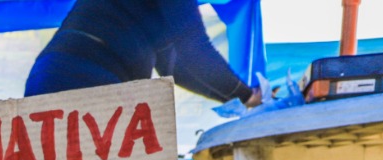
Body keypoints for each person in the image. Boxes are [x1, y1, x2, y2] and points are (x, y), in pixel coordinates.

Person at [24, 0, 263, 107]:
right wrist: (245, 95)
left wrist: (237, 98)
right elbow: (194, 48)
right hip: (89, 78)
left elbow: (176, 70)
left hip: (48, 74)